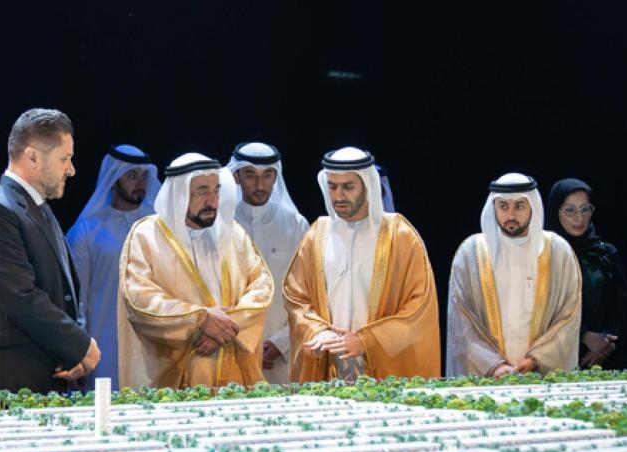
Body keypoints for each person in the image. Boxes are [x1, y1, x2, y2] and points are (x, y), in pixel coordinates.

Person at [0, 108, 100, 395]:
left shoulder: (39, 209)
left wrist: (71, 353)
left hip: (44, 374)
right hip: (9, 382)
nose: (71, 170)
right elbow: (22, 298)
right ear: (33, 157)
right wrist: (79, 346)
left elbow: (63, 293)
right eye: (65, 159)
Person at [117, 152, 273, 389]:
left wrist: (225, 326)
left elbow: (262, 286)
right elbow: (139, 299)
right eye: (202, 191)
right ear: (179, 194)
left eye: (217, 191)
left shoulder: (233, 234)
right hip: (172, 380)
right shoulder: (146, 235)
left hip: (233, 375)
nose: (212, 201)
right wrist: (199, 321)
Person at [284, 146, 440, 382]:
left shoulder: (399, 235)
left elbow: (419, 306)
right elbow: (296, 296)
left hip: (383, 368)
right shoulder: (317, 234)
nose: (338, 196)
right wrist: (317, 330)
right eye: (332, 186)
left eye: (348, 187)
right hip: (329, 366)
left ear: (367, 186)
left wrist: (367, 341)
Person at [446, 173, 582, 377]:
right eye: (503, 206)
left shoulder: (557, 251)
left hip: (539, 375)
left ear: (532, 207)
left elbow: (568, 316)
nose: (510, 214)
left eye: (519, 206)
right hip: (487, 375)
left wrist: (536, 359)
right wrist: (495, 365)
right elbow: (461, 320)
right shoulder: (471, 253)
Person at [66, 144, 160, 387]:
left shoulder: (160, 227)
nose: (140, 182)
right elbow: (78, 299)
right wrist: (78, 351)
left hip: (154, 345)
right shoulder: (87, 231)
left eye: (144, 175)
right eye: (132, 176)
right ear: (114, 179)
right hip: (104, 345)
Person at [226, 142, 309, 384]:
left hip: (283, 352)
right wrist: (244, 343)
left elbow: (306, 291)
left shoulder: (295, 225)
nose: (260, 185)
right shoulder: (221, 224)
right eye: (251, 175)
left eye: (267, 175)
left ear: (276, 177)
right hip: (232, 349)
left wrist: (281, 341)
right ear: (237, 176)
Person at [545, 178, 627, 369]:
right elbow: (542, 310)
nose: (579, 218)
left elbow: (622, 305)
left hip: (607, 355)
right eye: (570, 210)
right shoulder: (544, 256)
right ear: (555, 211)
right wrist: (584, 336)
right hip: (557, 354)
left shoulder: (605, 253)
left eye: (585, 209)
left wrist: (605, 344)